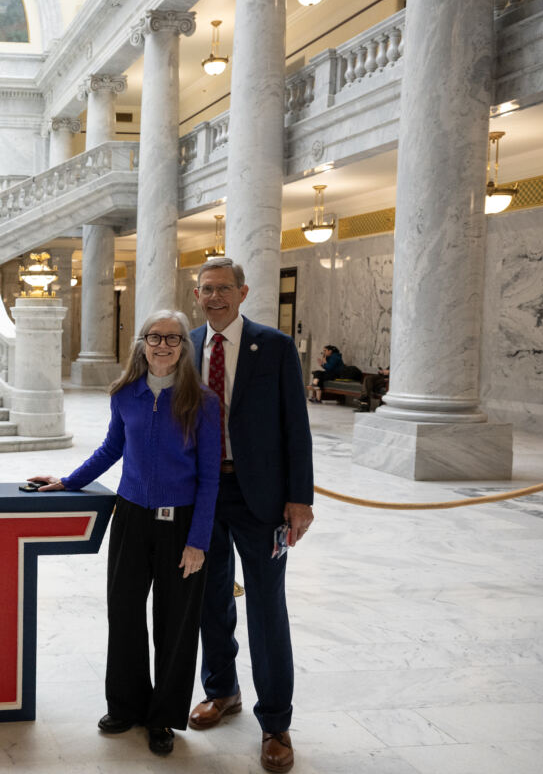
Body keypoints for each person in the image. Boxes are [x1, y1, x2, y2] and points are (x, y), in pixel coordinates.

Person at [28, 309, 220, 758]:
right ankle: (127, 706)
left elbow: (210, 477)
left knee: (175, 625)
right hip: (131, 516)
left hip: (182, 525)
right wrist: (69, 481)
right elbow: (112, 448)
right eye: (155, 337)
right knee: (126, 614)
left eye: (173, 339)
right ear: (142, 342)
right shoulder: (126, 393)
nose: (163, 345)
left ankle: (163, 717)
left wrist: (199, 541)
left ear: (183, 348)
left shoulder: (204, 402)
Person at [187, 257, 314, 774]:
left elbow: (296, 427)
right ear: (196, 295)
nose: (214, 297)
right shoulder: (187, 346)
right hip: (204, 495)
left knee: (266, 607)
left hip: (261, 497)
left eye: (223, 288)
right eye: (205, 289)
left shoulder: (275, 347)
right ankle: (221, 691)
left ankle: (275, 723)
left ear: (242, 292)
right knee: (208, 598)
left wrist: (299, 497)